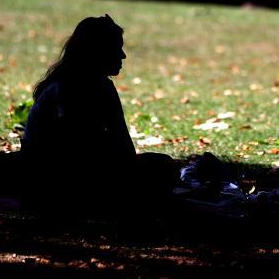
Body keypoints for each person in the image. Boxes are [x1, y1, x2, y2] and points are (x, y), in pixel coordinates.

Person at [20, 15, 177, 212]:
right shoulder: (66, 88)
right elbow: (75, 151)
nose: (123, 56)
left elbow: (122, 146)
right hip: (52, 178)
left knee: (162, 166)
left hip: (85, 170)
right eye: (117, 49)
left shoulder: (102, 86)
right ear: (97, 51)